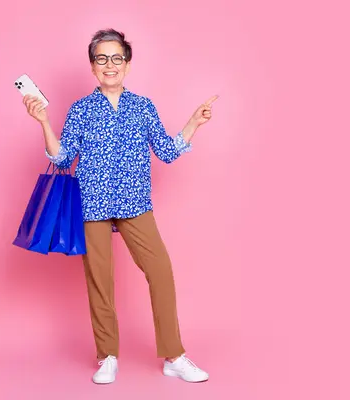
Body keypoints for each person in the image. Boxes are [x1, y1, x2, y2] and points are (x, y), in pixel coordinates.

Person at [22, 28, 217, 384]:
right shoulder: (81, 110)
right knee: (100, 281)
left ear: (127, 64)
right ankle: (107, 355)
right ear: (92, 66)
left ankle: (174, 355)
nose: (109, 65)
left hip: (135, 203)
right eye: (101, 58)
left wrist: (193, 123)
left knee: (160, 272)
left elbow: (167, 152)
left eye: (116, 58)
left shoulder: (143, 107)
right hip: (92, 204)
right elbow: (63, 158)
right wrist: (43, 122)